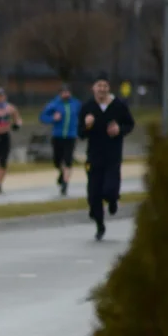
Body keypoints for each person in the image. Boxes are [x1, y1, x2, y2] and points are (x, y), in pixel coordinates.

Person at [77, 73, 135, 241]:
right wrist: (87, 125)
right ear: (93, 88)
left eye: (105, 86)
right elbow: (80, 133)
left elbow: (130, 124)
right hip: (94, 156)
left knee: (109, 189)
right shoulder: (88, 107)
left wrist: (119, 130)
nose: (101, 89)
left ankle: (112, 200)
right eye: (98, 86)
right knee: (93, 194)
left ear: (109, 88)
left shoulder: (118, 105)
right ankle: (100, 225)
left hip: (112, 155)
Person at [38, 83, 82, 196]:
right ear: (60, 93)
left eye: (67, 92)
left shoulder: (76, 104)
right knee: (57, 161)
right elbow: (42, 117)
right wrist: (53, 118)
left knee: (68, 159)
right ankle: (62, 174)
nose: (66, 94)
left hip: (71, 136)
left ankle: (65, 185)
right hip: (57, 136)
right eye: (63, 92)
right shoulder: (54, 104)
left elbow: (83, 115)